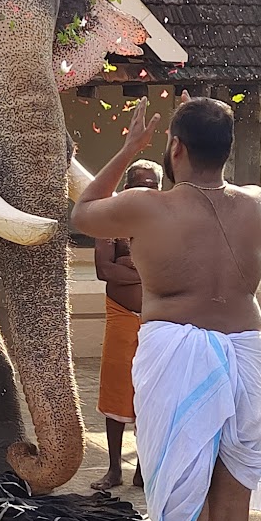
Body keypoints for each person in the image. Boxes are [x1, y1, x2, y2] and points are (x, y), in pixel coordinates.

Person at [71, 93, 261, 521]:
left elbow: (83, 212)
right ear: (229, 149)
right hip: (246, 354)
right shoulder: (258, 202)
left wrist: (129, 148)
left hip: (179, 359)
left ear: (176, 148)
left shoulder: (146, 206)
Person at [92, 159, 163, 492]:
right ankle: (113, 469)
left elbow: (172, 270)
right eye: (139, 185)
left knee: (151, 393)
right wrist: (144, 272)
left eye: (152, 186)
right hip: (121, 314)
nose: (145, 191)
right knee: (116, 390)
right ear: (126, 188)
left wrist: (127, 263)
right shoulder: (111, 220)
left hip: (157, 319)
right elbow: (104, 270)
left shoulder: (166, 222)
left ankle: (142, 470)